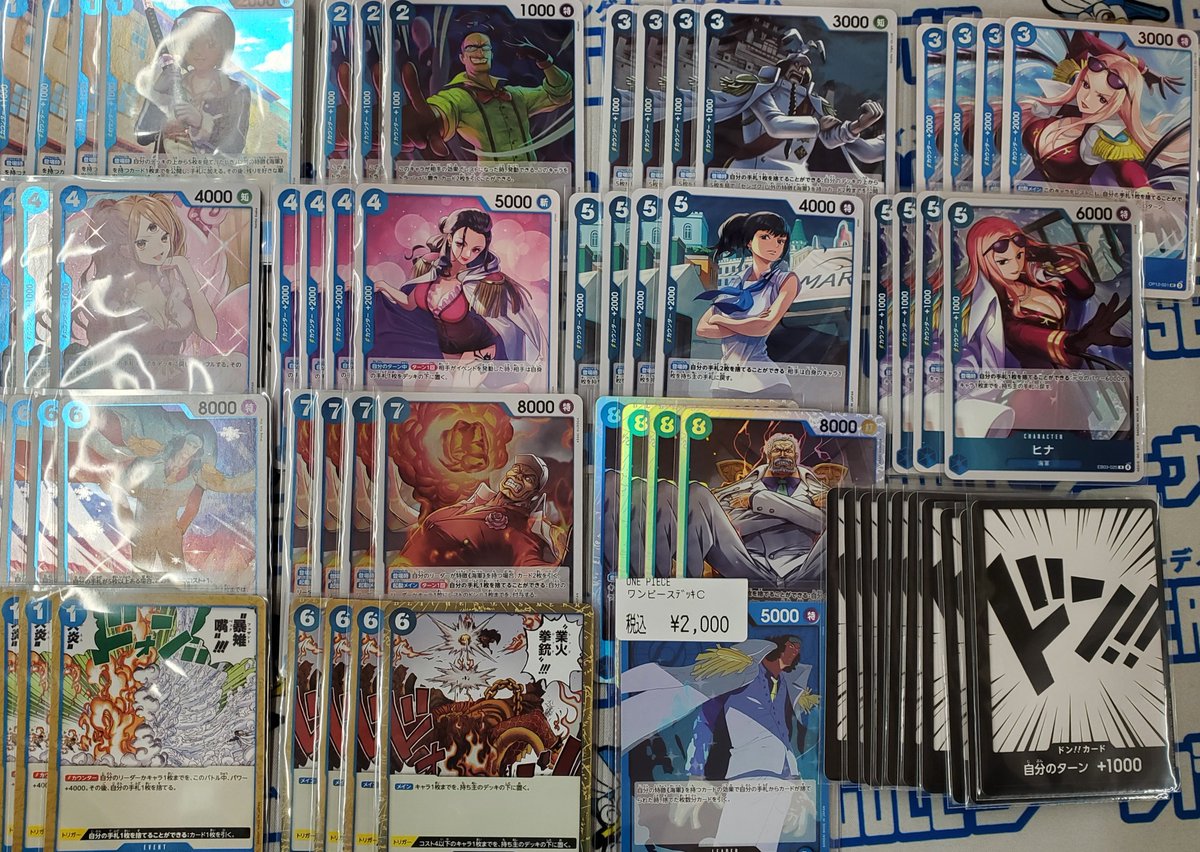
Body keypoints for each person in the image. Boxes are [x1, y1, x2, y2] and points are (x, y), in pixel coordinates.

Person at [620, 636, 821, 849]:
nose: (794, 651)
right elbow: (705, 722)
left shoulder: (783, 686)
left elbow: (784, 737)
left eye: (798, 648)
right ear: (777, 647)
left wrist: (796, 782)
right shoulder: (739, 675)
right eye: (791, 646)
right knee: (731, 843)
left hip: (780, 783)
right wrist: (696, 775)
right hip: (748, 776)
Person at [373, 208, 544, 377]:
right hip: (446, 352)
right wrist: (384, 286)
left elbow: (509, 321)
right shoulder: (432, 273)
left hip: (479, 350)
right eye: (461, 244)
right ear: (449, 239)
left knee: (463, 385)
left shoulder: (482, 282)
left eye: (476, 249)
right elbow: (410, 304)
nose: (467, 254)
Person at [67, 194, 220, 379]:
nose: (159, 248)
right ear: (123, 247)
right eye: (143, 242)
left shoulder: (173, 288)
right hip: (127, 382)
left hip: (173, 381)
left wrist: (184, 267)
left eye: (164, 237)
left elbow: (210, 334)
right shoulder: (111, 294)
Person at [959, 216, 1132, 371]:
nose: (1015, 266)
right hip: (1051, 380)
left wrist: (1055, 258)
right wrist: (1079, 339)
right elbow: (1022, 335)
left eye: (1019, 256)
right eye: (1003, 262)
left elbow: (1085, 290)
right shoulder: (997, 312)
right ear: (983, 262)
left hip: (1083, 359)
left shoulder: (1036, 280)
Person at [709, 28, 885, 179]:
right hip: (753, 174)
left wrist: (858, 126)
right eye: (796, 64)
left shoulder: (814, 103)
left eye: (803, 67)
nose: (800, 69)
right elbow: (775, 126)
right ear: (784, 66)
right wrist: (817, 125)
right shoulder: (762, 92)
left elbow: (831, 139)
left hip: (796, 179)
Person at [1019, 30, 1187, 188]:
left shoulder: (1103, 135)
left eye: (1102, 98)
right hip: (1024, 189)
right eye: (1086, 85)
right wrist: (1141, 67)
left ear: (1118, 105)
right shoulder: (1066, 99)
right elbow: (1083, 37)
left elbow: (1127, 166)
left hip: (1071, 204)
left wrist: (1143, 188)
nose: (1086, 98)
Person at [400, 31, 573, 162]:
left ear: (491, 54)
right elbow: (444, 108)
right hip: (493, 184)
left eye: (485, 47)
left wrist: (544, 60)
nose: (480, 52)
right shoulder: (458, 96)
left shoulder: (515, 94)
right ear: (462, 57)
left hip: (532, 183)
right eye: (471, 48)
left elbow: (559, 94)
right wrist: (428, 119)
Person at [694, 211, 800, 396]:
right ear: (749, 242)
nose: (774, 245)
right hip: (725, 381)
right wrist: (749, 325)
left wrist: (722, 320)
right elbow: (702, 329)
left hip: (766, 383)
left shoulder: (785, 280)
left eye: (780, 240)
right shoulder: (736, 282)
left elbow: (763, 327)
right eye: (765, 237)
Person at [393, 454, 561, 568]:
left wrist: (564, 561)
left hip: (438, 596)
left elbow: (530, 564)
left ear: (534, 493)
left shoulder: (520, 527)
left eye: (529, 478)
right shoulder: (474, 502)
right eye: (517, 469)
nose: (518, 476)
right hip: (401, 581)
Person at [134, 6, 251, 156]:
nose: (199, 52)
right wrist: (157, 93)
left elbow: (234, 147)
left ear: (224, 46)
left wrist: (201, 123)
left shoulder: (237, 91)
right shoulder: (173, 83)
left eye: (210, 44)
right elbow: (142, 136)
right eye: (191, 44)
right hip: (166, 170)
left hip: (206, 171)